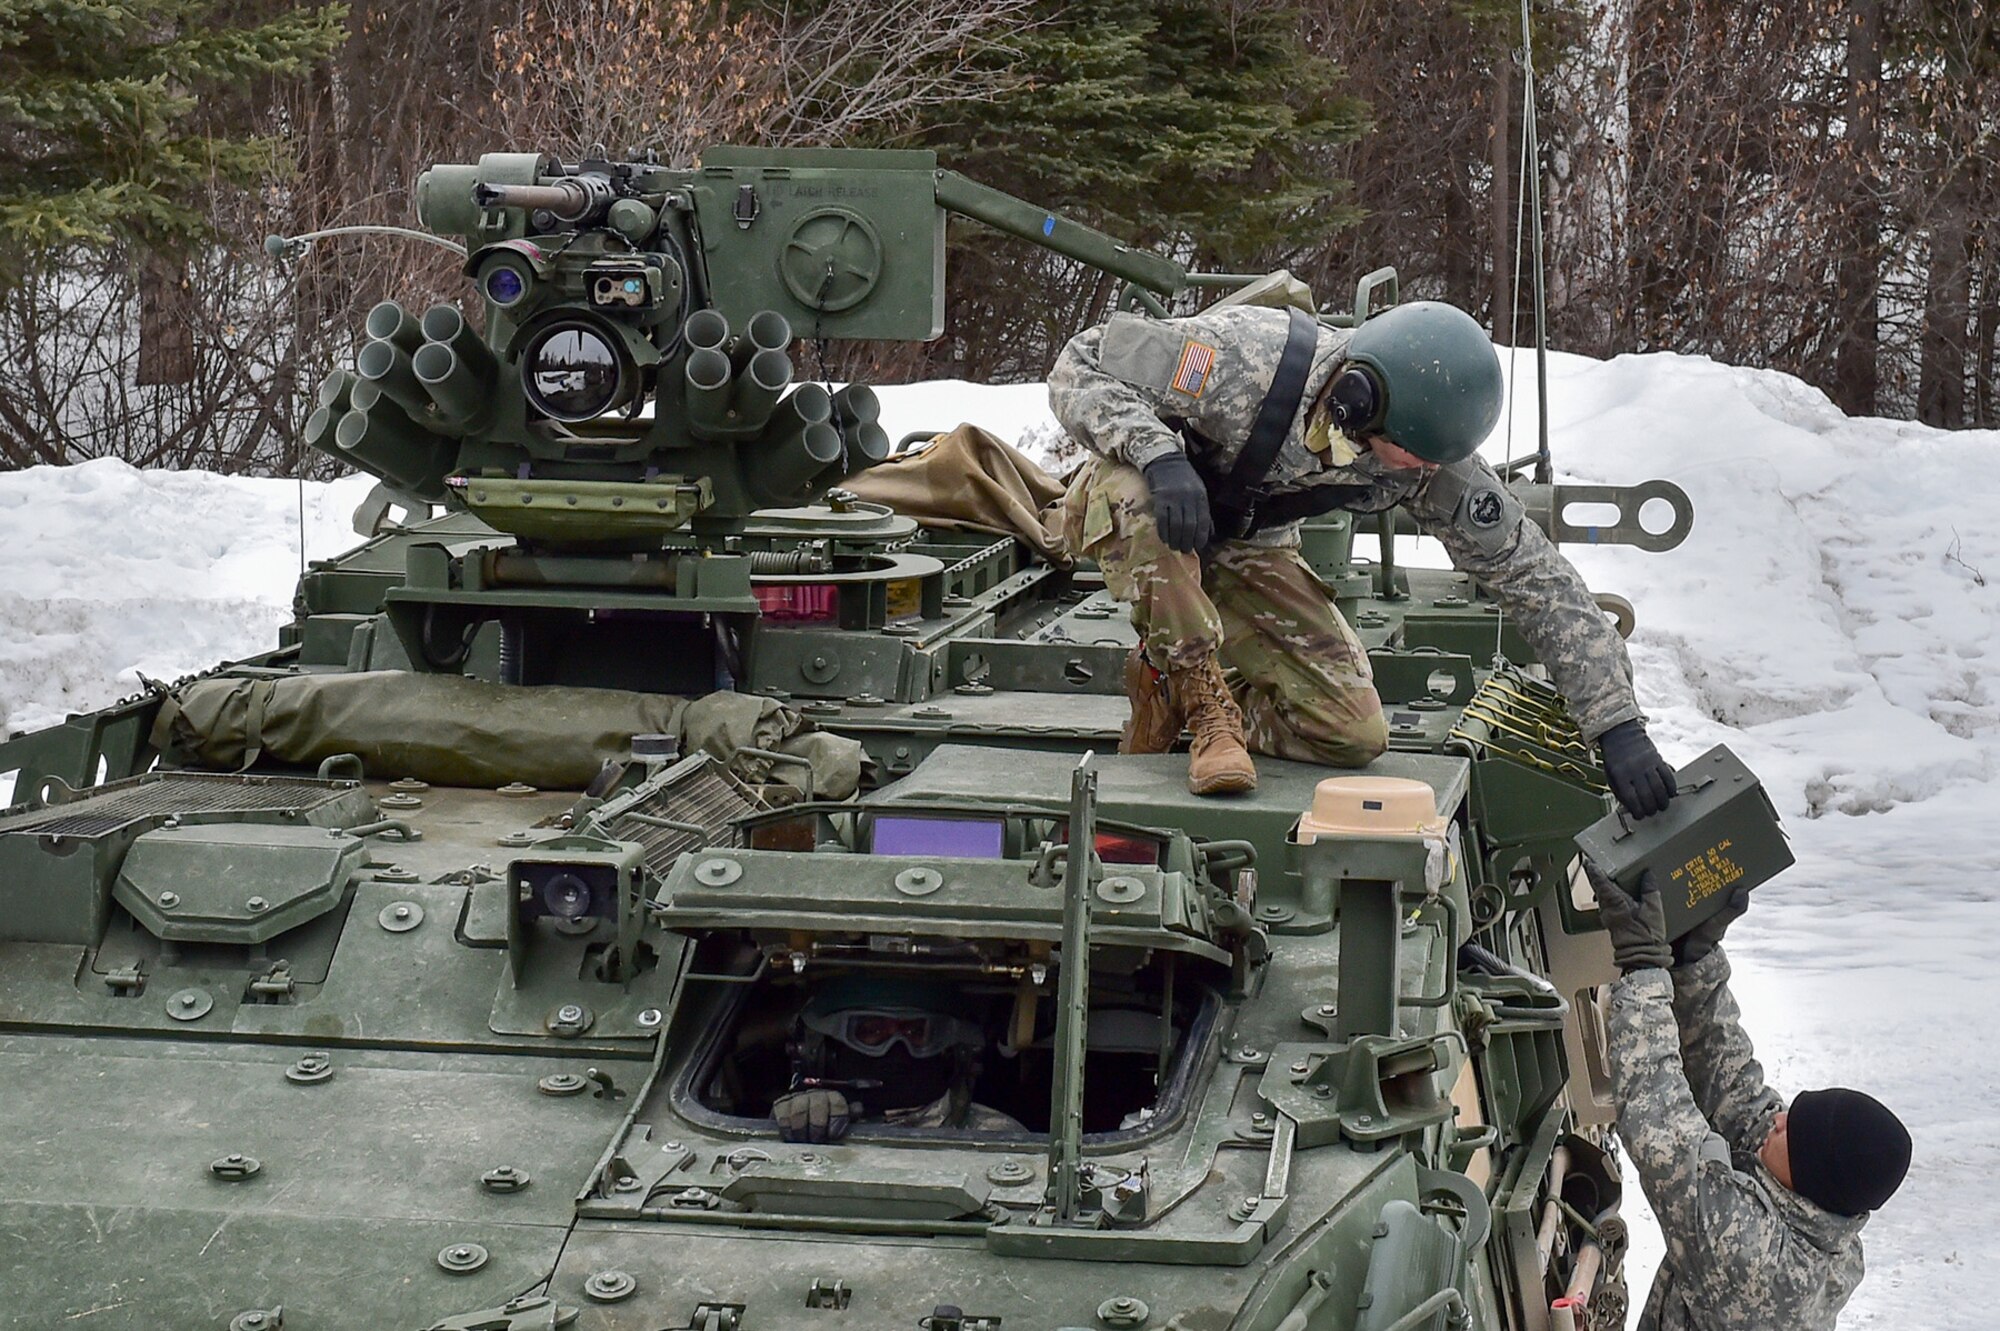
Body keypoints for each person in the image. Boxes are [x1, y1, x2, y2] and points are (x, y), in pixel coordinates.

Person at [1048, 298, 1676, 811]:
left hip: (1241, 544)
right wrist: (1157, 453)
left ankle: (1172, 691)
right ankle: (1202, 696)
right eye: (1414, 453)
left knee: (1350, 732)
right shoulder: (1238, 358)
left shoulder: (1425, 461)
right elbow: (1079, 364)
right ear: (1359, 399)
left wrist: (1617, 723)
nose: (1426, 470)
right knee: (1138, 495)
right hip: (1146, 505)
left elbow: (1534, 576)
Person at [1587, 865, 1912, 1330]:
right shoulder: (1827, 1223)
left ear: (1810, 1173)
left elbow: (1658, 1121)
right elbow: (1735, 1093)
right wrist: (1694, 965)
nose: (1777, 1120)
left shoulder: (1755, 1262)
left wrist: (1643, 966)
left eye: (1791, 1131)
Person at [771, 977, 1023, 1142]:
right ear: (826, 1051)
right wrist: (787, 1132)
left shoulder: (998, 1137)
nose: (896, 1049)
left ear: (953, 1052)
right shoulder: (803, 1123)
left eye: (915, 1032)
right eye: (872, 1032)